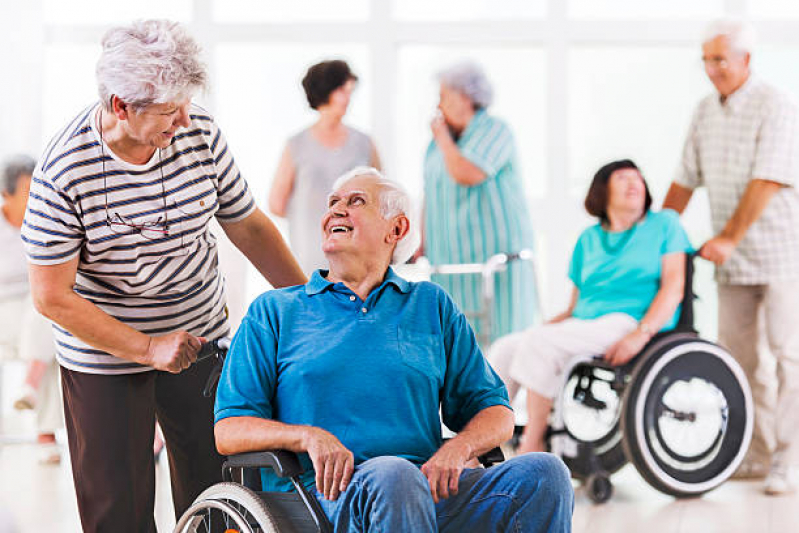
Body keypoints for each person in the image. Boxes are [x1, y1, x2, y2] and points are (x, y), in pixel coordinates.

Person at [21, 20, 306, 531]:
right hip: (103, 353)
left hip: (201, 334)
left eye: (185, 106)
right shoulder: (65, 169)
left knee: (220, 489)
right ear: (120, 106)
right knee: (118, 507)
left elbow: (250, 227)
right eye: (167, 112)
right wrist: (147, 347)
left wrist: (309, 305)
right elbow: (51, 296)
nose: (181, 121)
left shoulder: (200, 134)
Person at [215, 167, 573, 532]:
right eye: (332, 203)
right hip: (322, 498)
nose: (336, 211)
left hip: (425, 489)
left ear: (397, 229)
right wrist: (306, 435)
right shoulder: (276, 310)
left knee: (545, 473)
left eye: (355, 202)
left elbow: (496, 411)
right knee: (395, 475)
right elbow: (229, 429)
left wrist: (460, 447)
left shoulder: (431, 304)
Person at [663, 19, 799, 495]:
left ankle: (788, 459)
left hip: (781, 254)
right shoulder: (704, 110)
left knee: (788, 356)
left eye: (720, 59)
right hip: (733, 263)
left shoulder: (775, 104)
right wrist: (658, 233)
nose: (711, 68)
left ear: (746, 60)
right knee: (741, 358)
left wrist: (728, 237)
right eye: (706, 59)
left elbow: (768, 179)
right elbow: (684, 177)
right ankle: (757, 454)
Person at [489, 160, 691, 454]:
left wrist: (641, 333)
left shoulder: (665, 225)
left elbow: (674, 288)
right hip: (585, 324)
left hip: (630, 321)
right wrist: (540, 330)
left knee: (538, 342)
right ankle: (486, 440)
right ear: (602, 191)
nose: (634, 183)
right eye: (622, 177)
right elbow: (574, 307)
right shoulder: (589, 239)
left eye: (638, 178)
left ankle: (534, 443)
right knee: (506, 347)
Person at [422, 61, 536, 345]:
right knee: (456, 341)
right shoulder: (439, 142)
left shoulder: (495, 130)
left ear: (465, 97)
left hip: (494, 261)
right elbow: (430, 191)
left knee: (499, 342)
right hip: (450, 260)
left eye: (443, 96)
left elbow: (467, 173)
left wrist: (445, 142)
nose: (438, 105)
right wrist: (421, 241)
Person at [269, 59, 381, 275]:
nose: (348, 97)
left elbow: (380, 198)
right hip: (309, 256)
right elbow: (276, 203)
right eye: (341, 90)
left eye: (349, 90)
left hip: (359, 258)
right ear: (325, 91)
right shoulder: (296, 145)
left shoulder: (365, 143)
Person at [0, 155, 62, 465]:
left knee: (47, 315)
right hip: (3, 310)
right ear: (5, 196)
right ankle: (45, 434)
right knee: (46, 330)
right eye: (28, 191)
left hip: (34, 311)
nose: (35, 198)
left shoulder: (45, 222)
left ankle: (30, 385)